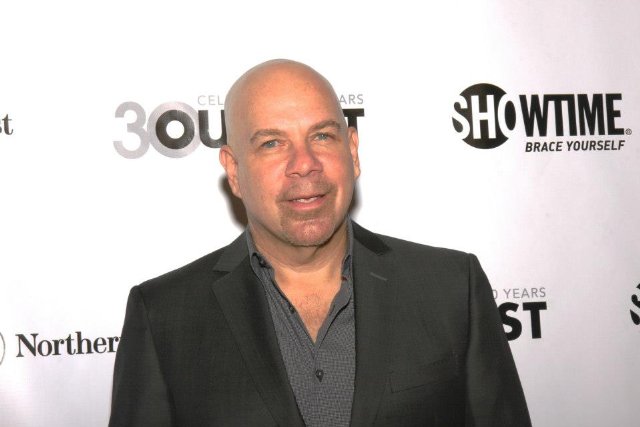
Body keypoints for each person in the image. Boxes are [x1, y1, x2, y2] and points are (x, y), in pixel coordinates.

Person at [109, 59, 532, 427]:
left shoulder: (451, 288)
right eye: (272, 143)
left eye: (323, 136)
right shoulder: (164, 316)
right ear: (234, 170)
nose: (304, 164)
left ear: (353, 150)